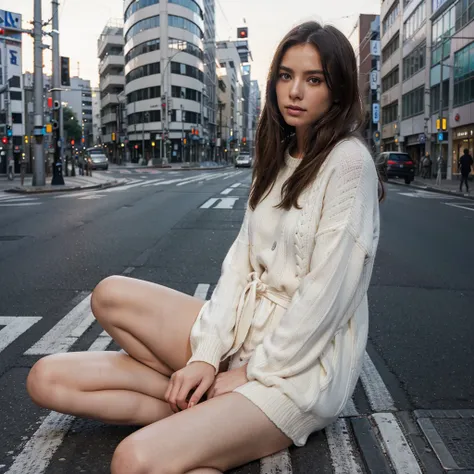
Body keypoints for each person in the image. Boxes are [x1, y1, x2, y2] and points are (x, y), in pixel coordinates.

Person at [25, 21, 382, 474]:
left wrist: (249, 374)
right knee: (57, 363)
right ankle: (199, 413)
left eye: (314, 80)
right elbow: (238, 267)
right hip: (243, 334)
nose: (295, 91)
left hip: (298, 371)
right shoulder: (277, 156)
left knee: (133, 461)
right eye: (285, 76)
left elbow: (326, 298)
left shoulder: (349, 163)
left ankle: (202, 425)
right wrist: (207, 358)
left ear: (338, 89)